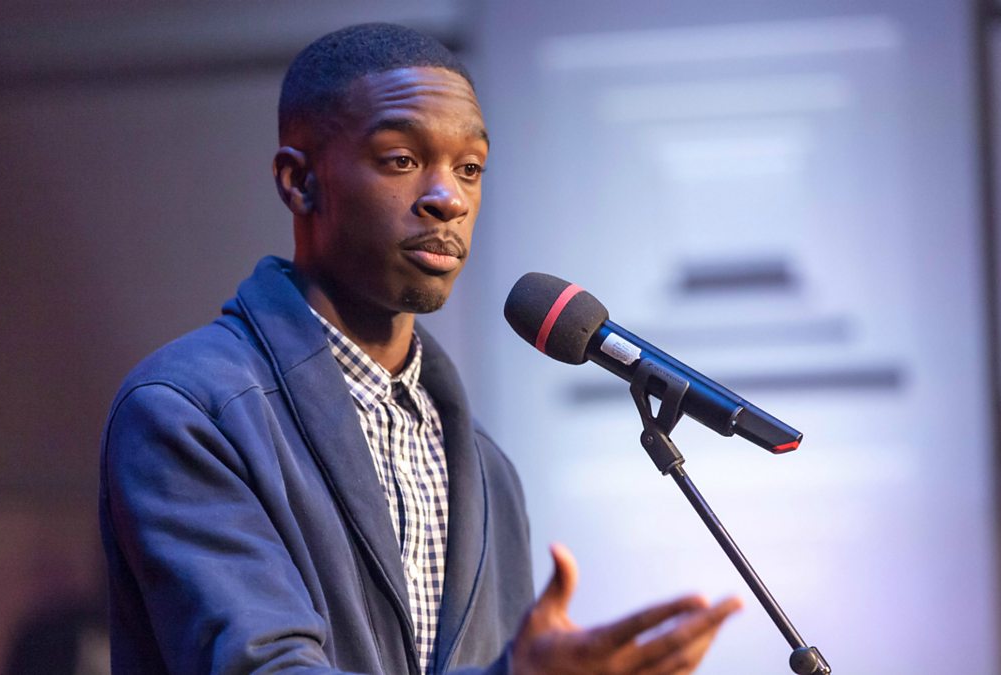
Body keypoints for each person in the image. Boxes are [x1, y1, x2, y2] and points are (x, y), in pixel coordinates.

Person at [99, 22, 742, 675]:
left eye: (470, 168)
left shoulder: (486, 468)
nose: (448, 198)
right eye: (402, 160)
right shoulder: (188, 410)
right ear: (299, 181)